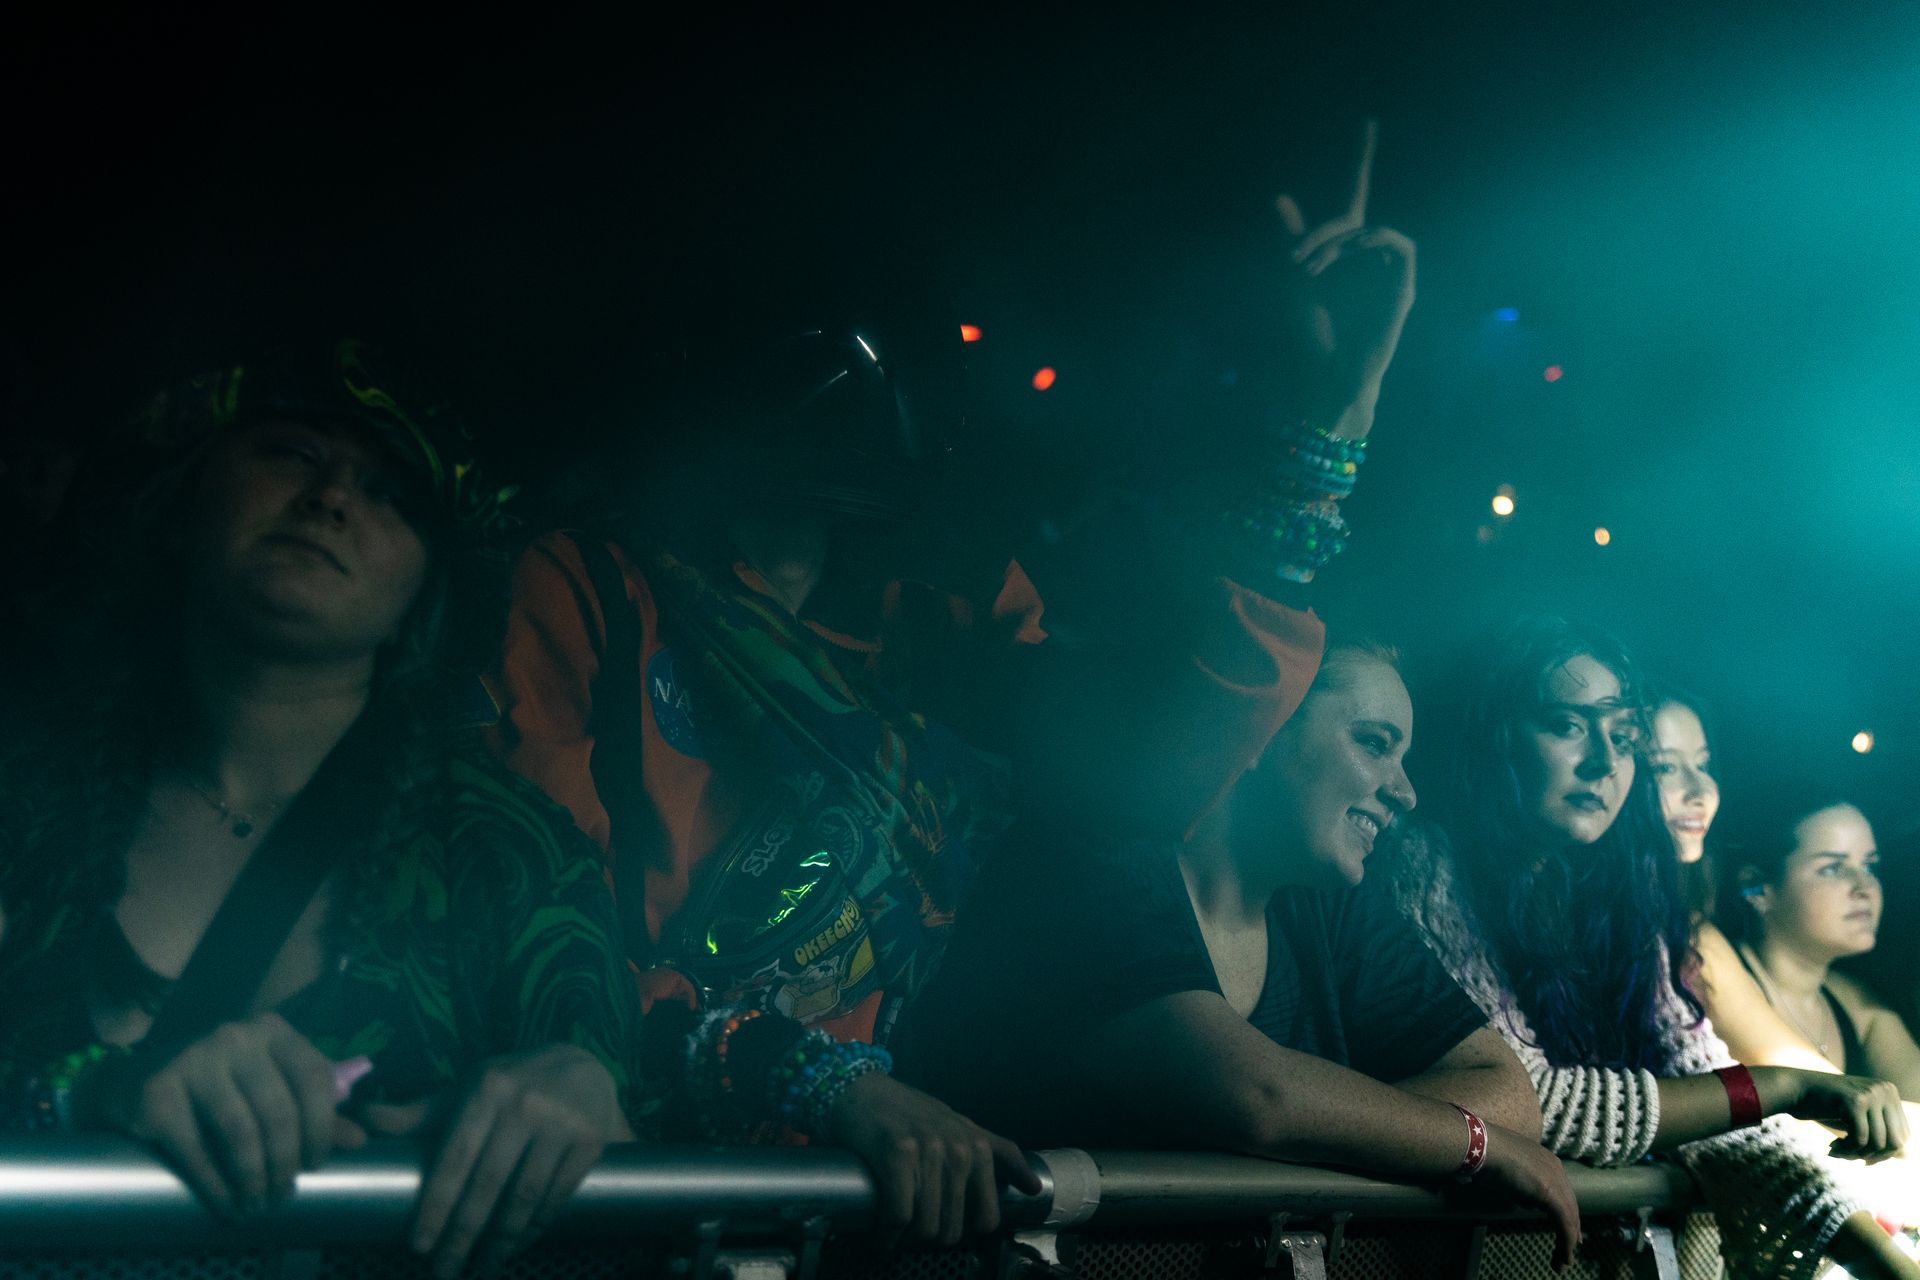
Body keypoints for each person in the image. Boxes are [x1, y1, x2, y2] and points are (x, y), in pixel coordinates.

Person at [487, 124, 1413, 1238]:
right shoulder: (585, 587)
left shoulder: (942, 616)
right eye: (800, 326)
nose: (838, 370)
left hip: (866, 1209)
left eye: (869, 334)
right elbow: (534, 918)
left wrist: (1320, 422)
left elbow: (1139, 778)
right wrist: (821, 1078)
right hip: (603, 1183)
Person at [0, 342, 637, 1279]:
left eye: (391, 493)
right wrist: (82, 1098)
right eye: (292, 454)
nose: (331, 497)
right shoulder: (23, 797)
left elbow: (625, 1160)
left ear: (427, 591)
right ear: (180, 503)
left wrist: (596, 1109)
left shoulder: (508, 853)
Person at [898, 640, 1583, 1266]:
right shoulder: (1091, 861)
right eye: (1374, 743)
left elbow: (1507, 1091)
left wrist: (1331, 1126)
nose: (1406, 790)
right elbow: (1255, 1095)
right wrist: (1469, 1147)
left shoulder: (1331, 904)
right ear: (1261, 731)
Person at [1390, 617, 1918, 1280]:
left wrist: (1892, 1266)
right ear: (1496, 733)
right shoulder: (1426, 864)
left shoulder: (1611, 898)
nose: (1604, 762)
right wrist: (1781, 1086)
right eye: (1567, 725)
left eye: (1624, 738)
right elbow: (1528, 1099)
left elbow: (1724, 1112)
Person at [1705, 794, 1920, 1099]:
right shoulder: (1708, 974)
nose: (1864, 887)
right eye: (1832, 868)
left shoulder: (1854, 1001)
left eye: (1869, 866)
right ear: (1757, 888)